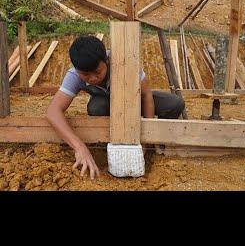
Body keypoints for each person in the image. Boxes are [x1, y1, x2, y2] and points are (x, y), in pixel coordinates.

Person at [46, 36, 185, 180]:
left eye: (97, 72)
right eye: (86, 75)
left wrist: (147, 137)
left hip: (134, 100)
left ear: (106, 60)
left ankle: (161, 142)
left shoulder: (125, 62)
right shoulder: (74, 75)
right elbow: (53, 112)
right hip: (107, 105)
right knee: (96, 107)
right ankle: (110, 140)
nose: (93, 78)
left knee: (174, 103)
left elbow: (146, 96)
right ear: (77, 69)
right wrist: (80, 147)